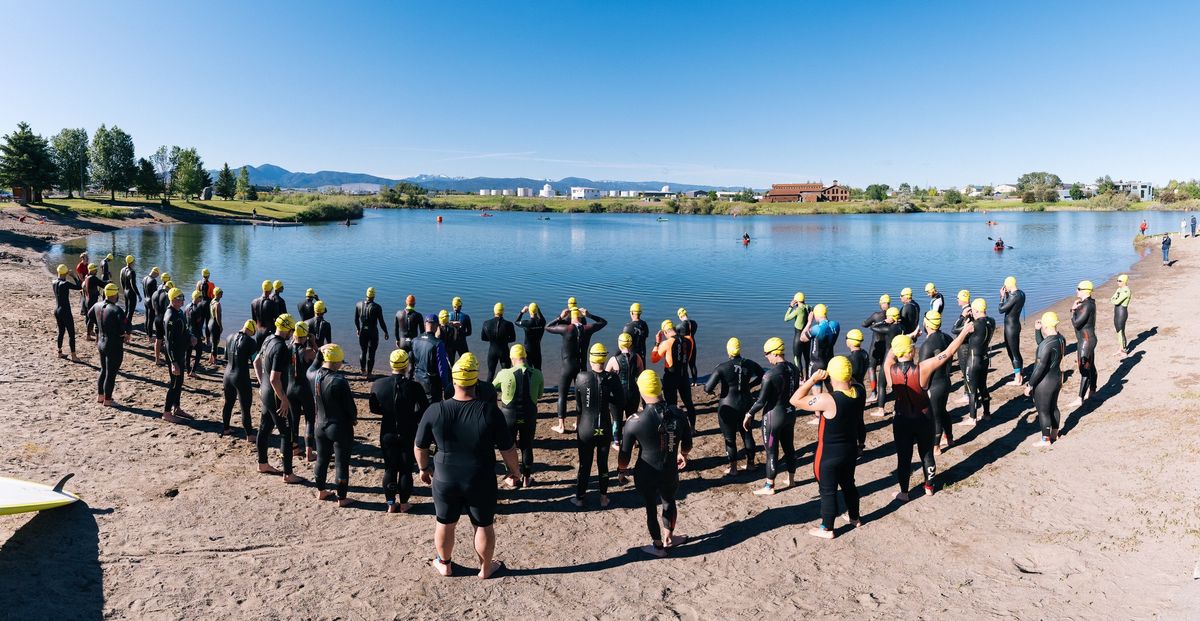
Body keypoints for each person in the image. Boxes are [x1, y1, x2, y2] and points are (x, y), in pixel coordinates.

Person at [415, 353, 520, 579]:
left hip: (445, 477)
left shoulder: (436, 410)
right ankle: (485, 569)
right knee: (483, 525)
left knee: (444, 522)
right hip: (480, 477)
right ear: (475, 381)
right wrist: (515, 471)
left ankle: (444, 564)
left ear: (454, 381)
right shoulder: (490, 411)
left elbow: (420, 446)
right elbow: (508, 448)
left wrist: (423, 469)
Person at [884, 324, 972, 502]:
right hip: (924, 418)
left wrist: (904, 339)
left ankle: (904, 493)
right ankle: (929, 487)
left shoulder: (889, 370)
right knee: (927, 454)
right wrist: (963, 332)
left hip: (901, 420)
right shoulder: (923, 367)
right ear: (912, 351)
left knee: (904, 457)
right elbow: (948, 351)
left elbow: (889, 357)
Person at [617, 369, 692, 558]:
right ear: (660, 388)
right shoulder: (678, 413)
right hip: (669, 469)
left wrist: (622, 471)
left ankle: (658, 546)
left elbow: (624, 455)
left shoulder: (634, 421)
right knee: (669, 502)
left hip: (646, 471)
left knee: (651, 507)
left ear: (642, 391)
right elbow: (688, 443)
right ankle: (669, 538)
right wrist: (682, 454)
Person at [789, 356, 864, 539]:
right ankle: (855, 518)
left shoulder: (827, 400)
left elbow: (795, 400)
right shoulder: (859, 391)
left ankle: (827, 528)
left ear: (831, 376)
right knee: (849, 484)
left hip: (829, 454)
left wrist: (813, 380)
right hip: (850, 449)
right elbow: (849, 384)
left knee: (827, 490)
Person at [371, 349, 430, 512]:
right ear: (407, 365)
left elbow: (374, 408)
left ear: (391, 364)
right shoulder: (415, 386)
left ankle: (390, 503)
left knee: (390, 468)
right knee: (405, 469)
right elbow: (425, 409)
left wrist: (390, 412)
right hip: (408, 431)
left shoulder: (378, 384)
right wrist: (410, 414)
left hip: (387, 431)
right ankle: (404, 503)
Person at [744, 337, 799, 495]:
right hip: (790, 413)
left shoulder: (770, 375)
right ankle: (791, 479)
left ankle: (769, 486)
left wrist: (749, 414)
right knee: (789, 448)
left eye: (766, 353)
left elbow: (761, 401)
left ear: (775, 353)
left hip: (773, 416)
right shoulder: (794, 369)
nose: (766, 357)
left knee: (771, 452)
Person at [571, 343, 624, 507]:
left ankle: (580, 498)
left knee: (584, 464)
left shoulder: (581, 377)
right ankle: (603, 497)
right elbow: (620, 401)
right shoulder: (613, 377)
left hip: (586, 428)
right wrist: (606, 396)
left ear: (590, 358)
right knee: (603, 463)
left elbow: (579, 407)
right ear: (605, 357)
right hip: (605, 428)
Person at [703, 337, 763, 475]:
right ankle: (750, 465)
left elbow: (707, 388)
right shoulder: (750, 363)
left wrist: (712, 391)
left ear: (728, 351)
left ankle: (733, 468)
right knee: (747, 434)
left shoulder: (722, 367)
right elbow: (762, 375)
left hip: (728, 404)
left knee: (730, 438)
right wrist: (750, 385)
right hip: (746, 403)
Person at [254, 313, 302, 484]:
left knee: (265, 428)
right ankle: (288, 474)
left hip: (266, 392)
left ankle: (262, 464)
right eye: (291, 330)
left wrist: (261, 384)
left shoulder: (267, 339)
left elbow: (256, 362)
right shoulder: (281, 347)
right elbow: (275, 378)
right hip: (275, 394)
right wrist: (284, 399)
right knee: (286, 434)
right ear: (288, 329)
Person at [308, 343, 357, 506]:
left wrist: (320, 351)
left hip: (319, 425)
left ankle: (321, 491)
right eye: (340, 361)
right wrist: (353, 418)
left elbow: (315, 363)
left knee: (321, 459)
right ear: (336, 361)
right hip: (339, 427)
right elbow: (350, 407)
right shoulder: (339, 381)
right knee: (341, 463)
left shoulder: (312, 374)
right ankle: (342, 498)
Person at [545, 307, 607, 433]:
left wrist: (560, 317)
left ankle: (561, 426)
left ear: (571, 317)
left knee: (562, 395)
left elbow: (547, 327)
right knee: (579, 396)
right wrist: (589, 315)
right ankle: (578, 423)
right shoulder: (587, 329)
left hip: (567, 367)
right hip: (581, 368)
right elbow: (603, 322)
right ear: (581, 316)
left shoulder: (566, 329)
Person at [493, 344, 544, 488]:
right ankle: (527, 478)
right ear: (525, 358)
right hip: (529, 415)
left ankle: (513, 477)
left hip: (509, 415)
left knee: (510, 447)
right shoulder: (538, 373)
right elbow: (539, 395)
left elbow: (492, 388)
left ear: (511, 358)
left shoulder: (504, 373)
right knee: (527, 446)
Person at [1026, 312, 1066, 446]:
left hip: (1045, 382)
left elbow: (1040, 367)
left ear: (1047, 326)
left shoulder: (1046, 345)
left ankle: (1046, 439)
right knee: (1053, 407)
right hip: (1057, 378)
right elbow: (1043, 345)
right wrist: (1037, 331)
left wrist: (1030, 384)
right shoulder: (1061, 339)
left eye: (1042, 325)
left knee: (1043, 411)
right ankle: (1055, 433)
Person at [918, 311, 955, 451]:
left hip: (934, 385)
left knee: (935, 415)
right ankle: (949, 438)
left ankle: (936, 446)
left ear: (927, 323)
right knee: (943, 411)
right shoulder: (947, 338)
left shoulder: (927, 345)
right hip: (945, 381)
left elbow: (923, 371)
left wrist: (922, 389)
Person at [651, 319, 697, 429]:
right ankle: (693, 428)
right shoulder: (689, 340)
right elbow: (688, 358)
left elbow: (654, 359)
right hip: (684, 376)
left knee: (671, 405)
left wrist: (657, 343)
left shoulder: (666, 343)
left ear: (665, 332)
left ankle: (675, 428)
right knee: (689, 403)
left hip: (671, 378)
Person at [90, 283, 130, 406]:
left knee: (103, 370)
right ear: (115, 294)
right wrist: (126, 334)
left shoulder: (97, 305)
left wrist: (100, 327)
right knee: (111, 373)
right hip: (113, 344)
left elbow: (90, 316)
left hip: (101, 342)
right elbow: (127, 326)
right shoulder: (116, 309)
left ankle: (100, 396)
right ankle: (108, 399)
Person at [221, 320, 259, 439]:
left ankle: (226, 428)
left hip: (227, 375)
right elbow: (255, 361)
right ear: (252, 330)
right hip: (241, 377)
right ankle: (249, 434)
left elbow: (226, 357)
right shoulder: (251, 342)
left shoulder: (229, 337)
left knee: (228, 403)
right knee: (245, 407)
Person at [960, 297, 996, 425]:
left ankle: (972, 418)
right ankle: (986, 414)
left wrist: (963, 318)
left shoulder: (974, 325)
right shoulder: (992, 321)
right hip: (984, 358)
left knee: (972, 390)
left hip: (973, 360)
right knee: (983, 387)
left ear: (975, 310)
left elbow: (955, 330)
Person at [605, 332, 644, 446]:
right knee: (631, 418)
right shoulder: (637, 357)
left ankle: (617, 441)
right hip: (633, 392)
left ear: (619, 344)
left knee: (616, 419)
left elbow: (605, 377)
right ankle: (633, 441)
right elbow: (641, 376)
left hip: (618, 394)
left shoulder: (614, 359)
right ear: (631, 344)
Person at [161, 287, 192, 424]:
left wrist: (190, 336)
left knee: (179, 383)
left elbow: (184, 329)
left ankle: (176, 408)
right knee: (174, 384)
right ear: (173, 300)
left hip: (180, 352)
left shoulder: (178, 312)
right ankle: (167, 413)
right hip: (173, 354)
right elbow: (168, 342)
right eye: (180, 299)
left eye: (182, 298)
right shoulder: (170, 317)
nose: (182, 301)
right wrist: (173, 362)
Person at [288, 321, 317, 462]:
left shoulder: (287, 348)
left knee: (294, 418)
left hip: (290, 389)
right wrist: (313, 342)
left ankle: (294, 448)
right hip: (304, 389)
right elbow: (321, 360)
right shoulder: (307, 352)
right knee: (309, 419)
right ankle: (309, 453)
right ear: (306, 335)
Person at [867, 307, 904, 412]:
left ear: (891, 318)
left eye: (888, 316)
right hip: (898, 357)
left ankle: (880, 410)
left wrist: (883, 321)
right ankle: (898, 408)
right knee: (897, 384)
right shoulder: (902, 327)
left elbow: (872, 327)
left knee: (882, 385)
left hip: (888, 357)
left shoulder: (889, 329)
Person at [412, 313, 452, 403]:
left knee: (419, 404)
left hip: (417, 379)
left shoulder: (415, 340)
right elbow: (442, 370)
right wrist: (446, 387)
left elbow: (411, 362)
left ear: (424, 324)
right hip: (431, 384)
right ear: (437, 326)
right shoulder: (438, 344)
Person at [1070, 281, 1098, 407]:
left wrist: (1073, 310)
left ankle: (1080, 398)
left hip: (1086, 340)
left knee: (1084, 369)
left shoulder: (1086, 305)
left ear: (1084, 290)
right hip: (1088, 339)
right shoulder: (1089, 303)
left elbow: (1076, 323)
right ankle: (1092, 390)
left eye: (1078, 288)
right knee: (1090, 365)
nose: (1076, 290)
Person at [861, 294, 891, 407]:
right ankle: (884, 390)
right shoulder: (893, 315)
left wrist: (874, 323)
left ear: (880, 303)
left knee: (871, 368)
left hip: (876, 345)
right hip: (887, 346)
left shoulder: (876, 315)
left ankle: (874, 393)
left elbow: (864, 324)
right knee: (884, 368)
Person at [354, 287, 389, 380]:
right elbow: (381, 322)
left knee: (363, 351)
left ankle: (362, 371)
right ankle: (369, 374)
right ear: (374, 295)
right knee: (371, 353)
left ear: (366, 294)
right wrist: (385, 332)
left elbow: (356, 319)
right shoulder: (377, 307)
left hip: (362, 332)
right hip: (372, 332)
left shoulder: (358, 304)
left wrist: (358, 329)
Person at [998, 276, 1026, 385]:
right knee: (1016, 351)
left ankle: (1018, 378)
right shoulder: (1021, 293)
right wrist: (1007, 296)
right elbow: (1012, 305)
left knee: (1012, 352)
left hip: (1011, 327)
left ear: (1008, 285)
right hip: (1015, 324)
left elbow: (1001, 309)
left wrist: (1001, 298)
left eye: (1005, 286)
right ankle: (1020, 370)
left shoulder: (1014, 296)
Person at [51, 264, 83, 361]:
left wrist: (65, 275)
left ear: (58, 272)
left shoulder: (54, 282)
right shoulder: (65, 284)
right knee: (71, 334)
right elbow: (79, 286)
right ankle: (73, 356)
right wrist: (73, 276)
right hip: (65, 311)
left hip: (57, 310)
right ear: (65, 273)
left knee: (61, 331)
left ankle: (59, 352)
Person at [481, 302, 517, 382]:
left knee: (490, 373)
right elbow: (513, 339)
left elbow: (483, 338)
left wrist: (492, 340)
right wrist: (503, 340)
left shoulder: (486, 323)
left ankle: (488, 391)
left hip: (492, 351)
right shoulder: (509, 324)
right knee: (507, 373)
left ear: (494, 311)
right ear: (503, 311)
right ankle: (506, 390)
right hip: (504, 351)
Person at [951, 289, 973, 406]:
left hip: (964, 345)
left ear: (962, 299)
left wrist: (961, 316)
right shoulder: (972, 309)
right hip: (968, 344)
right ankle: (969, 393)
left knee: (966, 372)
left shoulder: (966, 313)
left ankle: (967, 395)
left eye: (958, 298)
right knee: (967, 371)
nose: (957, 300)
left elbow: (954, 329)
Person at [807, 303, 840, 379]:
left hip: (816, 363)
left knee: (816, 389)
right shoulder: (836, 325)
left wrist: (809, 322)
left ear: (816, 315)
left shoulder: (816, 328)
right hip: (829, 360)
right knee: (830, 385)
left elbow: (802, 338)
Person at [784, 292, 813, 378]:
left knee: (797, 359)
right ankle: (807, 377)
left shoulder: (798, 310)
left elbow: (786, 318)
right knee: (807, 358)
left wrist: (790, 306)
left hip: (798, 336)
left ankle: (800, 378)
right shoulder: (809, 307)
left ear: (796, 301)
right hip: (807, 337)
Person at [514, 303, 546, 370]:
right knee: (538, 370)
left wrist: (522, 312)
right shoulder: (542, 322)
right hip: (537, 350)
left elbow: (516, 322)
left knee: (528, 371)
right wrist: (538, 310)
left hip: (528, 351)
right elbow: (542, 318)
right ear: (537, 311)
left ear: (529, 312)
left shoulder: (526, 323)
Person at [184, 290, 208, 377]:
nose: (201, 299)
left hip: (188, 333)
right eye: (200, 297)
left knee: (188, 353)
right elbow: (199, 324)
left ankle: (188, 370)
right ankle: (193, 371)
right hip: (196, 334)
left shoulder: (187, 306)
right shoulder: (197, 309)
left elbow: (184, 319)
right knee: (199, 352)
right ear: (197, 298)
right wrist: (201, 335)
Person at [80, 262, 105, 340]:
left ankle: (90, 331)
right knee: (91, 318)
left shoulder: (87, 277)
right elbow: (102, 284)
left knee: (88, 317)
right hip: (92, 301)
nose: (96, 271)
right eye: (95, 270)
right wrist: (109, 283)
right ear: (92, 270)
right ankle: (88, 335)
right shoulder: (93, 278)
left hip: (87, 300)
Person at [151, 274, 172, 365]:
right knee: (167, 339)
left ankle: (157, 359)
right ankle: (170, 359)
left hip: (157, 318)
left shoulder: (155, 293)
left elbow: (153, 306)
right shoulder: (167, 296)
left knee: (158, 339)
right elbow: (168, 309)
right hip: (164, 319)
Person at [674, 308, 699, 382]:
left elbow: (675, 335)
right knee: (693, 364)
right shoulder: (694, 323)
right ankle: (695, 382)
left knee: (683, 364)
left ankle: (684, 380)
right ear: (686, 314)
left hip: (684, 346)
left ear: (680, 316)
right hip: (693, 344)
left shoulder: (680, 326)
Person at [622, 302, 649, 370]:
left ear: (631, 313)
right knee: (642, 372)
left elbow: (623, 343)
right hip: (642, 353)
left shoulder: (628, 327)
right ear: (640, 313)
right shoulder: (644, 324)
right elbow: (645, 336)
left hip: (632, 355)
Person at [1110, 274, 1132, 356]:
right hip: (1117, 312)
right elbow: (1111, 299)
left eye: (1119, 281)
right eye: (1117, 280)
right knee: (1118, 331)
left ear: (1124, 281)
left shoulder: (1126, 290)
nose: (1118, 282)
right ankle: (1120, 348)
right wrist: (1114, 299)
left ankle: (1124, 351)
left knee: (1121, 331)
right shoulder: (1119, 289)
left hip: (1122, 312)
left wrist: (1114, 300)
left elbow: (1115, 301)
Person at [447, 296, 472, 361]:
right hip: (462, 342)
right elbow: (469, 333)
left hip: (451, 343)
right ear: (460, 306)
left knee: (450, 362)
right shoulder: (466, 317)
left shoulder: (448, 316)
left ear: (453, 306)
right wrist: (462, 334)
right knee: (466, 361)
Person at [250, 280, 274, 346]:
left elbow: (254, 320)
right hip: (268, 332)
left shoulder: (253, 302)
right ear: (271, 290)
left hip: (258, 331)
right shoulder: (271, 303)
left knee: (259, 351)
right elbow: (276, 319)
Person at [119, 255, 139, 332]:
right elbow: (133, 285)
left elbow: (121, 281)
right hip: (131, 293)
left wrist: (124, 290)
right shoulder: (132, 272)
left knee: (126, 309)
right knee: (131, 311)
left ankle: (123, 323)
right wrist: (138, 294)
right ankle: (127, 326)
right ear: (131, 262)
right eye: (133, 261)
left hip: (125, 291)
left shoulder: (122, 270)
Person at [141, 266, 160, 345]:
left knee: (147, 318)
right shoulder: (153, 281)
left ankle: (147, 333)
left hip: (145, 300)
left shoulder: (144, 278)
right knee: (151, 319)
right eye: (157, 275)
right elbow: (155, 294)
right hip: (151, 302)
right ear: (155, 273)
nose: (157, 277)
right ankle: (150, 336)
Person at [208, 287, 224, 364]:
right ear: (218, 294)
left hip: (210, 322)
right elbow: (218, 317)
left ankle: (211, 358)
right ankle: (214, 360)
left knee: (214, 341)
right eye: (221, 292)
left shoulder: (212, 301)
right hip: (215, 324)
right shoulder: (217, 304)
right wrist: (220, 326)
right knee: (216, 342)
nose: (222, 294)